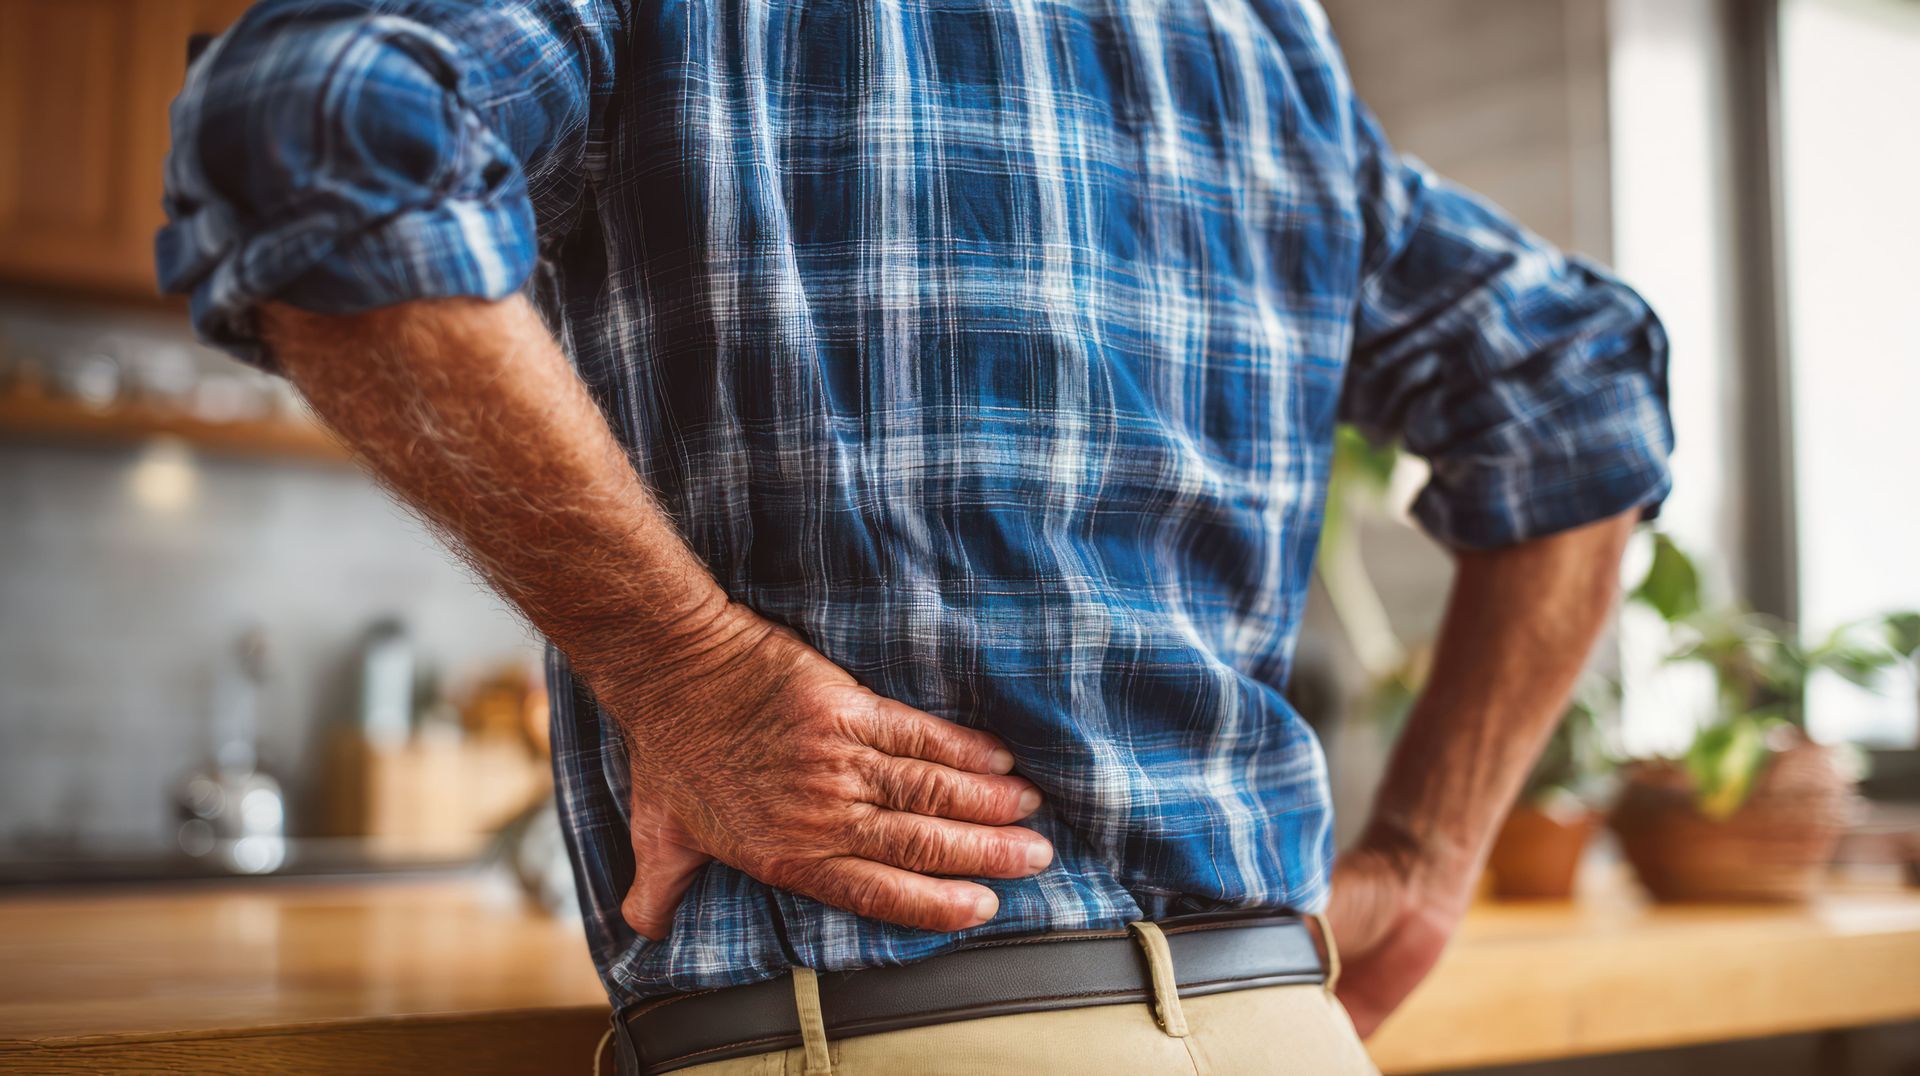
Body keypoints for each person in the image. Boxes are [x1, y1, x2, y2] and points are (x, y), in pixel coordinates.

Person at [158, 0, 1671, 1071]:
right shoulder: (1259, 33)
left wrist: (687, 669)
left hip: (859, 1040)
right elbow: (1576, 383)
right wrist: (1423, 854)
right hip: (1281, 1030)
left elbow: (313, 122)